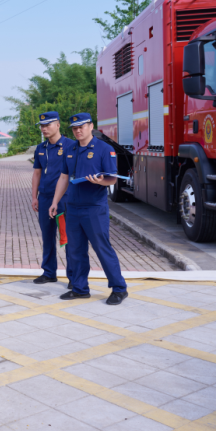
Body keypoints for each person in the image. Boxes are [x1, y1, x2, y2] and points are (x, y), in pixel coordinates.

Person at [49, 113, 128, 305]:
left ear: (91, 126)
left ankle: (119, 288)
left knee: (102, 248)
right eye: (74, 128)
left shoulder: (104, 149)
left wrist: (101, 181)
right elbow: (64, 177)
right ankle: (80, 288)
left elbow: (112, 178)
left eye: (81, 127)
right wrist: (54, 202)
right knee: (75, 250)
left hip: (94, 208)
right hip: (73, 208)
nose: (77, 131)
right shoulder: (70, 149)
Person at [31, 111, 72, 286]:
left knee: (68, 238)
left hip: (65, 200)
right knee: (47, 237)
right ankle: (49, 272)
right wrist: (34, 197)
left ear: (58, 125)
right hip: (45, 198)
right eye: (42, 125)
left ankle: (74, 276)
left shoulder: (71, 146)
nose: (44, 128)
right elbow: (36, 173)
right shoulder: (41, 148)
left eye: (48, 124)